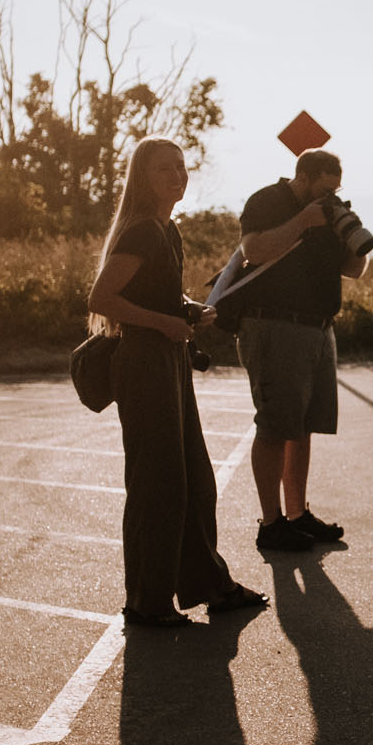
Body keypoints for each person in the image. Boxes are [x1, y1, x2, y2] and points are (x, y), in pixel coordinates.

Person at [86, 138, 269, 625]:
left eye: (181, 167)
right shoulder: (142, 231)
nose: (177, 176)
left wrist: (187, 310)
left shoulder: (167, 230)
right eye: (164, 169)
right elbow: (102, 298)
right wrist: (163, 323)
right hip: (144, 365)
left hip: (169, 362)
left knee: (194, 481)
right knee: (157, 485)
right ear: (142, 179)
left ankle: (209, 584)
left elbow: (154, 293)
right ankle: (146, 602)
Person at [235, 148, 368, 552]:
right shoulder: (268, 200)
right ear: (304, 177)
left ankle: (296, 514)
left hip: (318, 329)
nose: (330, 197)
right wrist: (304, 221)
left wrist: (352, 235)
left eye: (335, 190)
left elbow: (353, 270)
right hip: (274, 325)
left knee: (302, 425)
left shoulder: (330, 212)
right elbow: (253, 250)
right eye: (325, 189)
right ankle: (270, 522)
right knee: (275, 425)